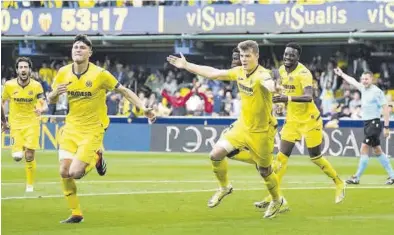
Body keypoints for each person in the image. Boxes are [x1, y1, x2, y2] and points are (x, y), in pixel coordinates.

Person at [167, 40, 285, 219]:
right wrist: (186, 65)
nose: (244, 60)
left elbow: (269, 83)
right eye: (242, 56)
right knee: (215, 154)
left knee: (265, 171)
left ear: (256, 56)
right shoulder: (239, 72)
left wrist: (275, 88)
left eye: (248, 56)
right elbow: (214, 73)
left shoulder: (263, 75)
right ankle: (224, 187)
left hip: (262, 132)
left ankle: (277, 200)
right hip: (242, 126)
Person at [48, 34, 156, 223]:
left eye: (82, 47)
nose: (78, 50)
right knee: (64, 172)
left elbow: (124, 91)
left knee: (76, 173)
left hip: (93, 129)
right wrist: (54, 94)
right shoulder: (63, 72)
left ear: (90, 52)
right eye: (75, 47)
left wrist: (142, 107)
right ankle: (76, 214)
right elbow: (52, 99)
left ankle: (97, 157)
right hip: (71, 126)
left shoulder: (100, 74)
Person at [255, 43, 346, 210]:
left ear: (298, 57)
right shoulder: (282, 70)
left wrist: (286, 100)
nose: (288, 57)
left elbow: (308, 97)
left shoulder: (304, 73)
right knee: (281, 158)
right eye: (286, 54)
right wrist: (280, 101)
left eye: (292, 55)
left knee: (315, 157)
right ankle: (274, 197)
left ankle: (339, 182)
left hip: (310, 120)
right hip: (292, 120)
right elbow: (284, 89)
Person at [333, 68, 393, 185]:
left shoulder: (377, 92)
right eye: (363, 79)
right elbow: (352, 81)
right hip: (367, 123)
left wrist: (386, 127)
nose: (364, 81)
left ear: (372, 79)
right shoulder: (362, 88)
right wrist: (342, 74)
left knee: (364, 148)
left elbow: (385, 109)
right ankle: (392, 175)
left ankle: (356, 177)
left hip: (374, 123)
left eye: (366, 79)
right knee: (377, 151)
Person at [1, 57, 48, 192]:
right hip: (15, 124)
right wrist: (3, 122)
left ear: (29, 70)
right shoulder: (9, 85)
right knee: (17, 157)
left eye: (25, 67)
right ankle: (18, 147)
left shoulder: (36, 85)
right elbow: (2, 103)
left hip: (32, 123)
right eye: (20, 67)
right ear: (17, 70)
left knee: (29, 155)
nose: (23, 69)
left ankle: (29, 185)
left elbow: (43, 102)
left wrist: (41, 109)